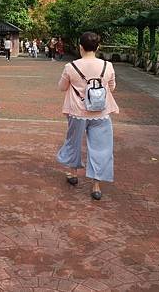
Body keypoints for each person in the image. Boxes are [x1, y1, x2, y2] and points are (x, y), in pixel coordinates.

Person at [56, 32, 119, 200]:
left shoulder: (71, 67)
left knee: (73, 142)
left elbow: (62, 87)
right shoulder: (108, 66)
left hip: (77, 112)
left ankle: (73, 173)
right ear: (97, 48)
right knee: (101, 147)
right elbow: (112, 87)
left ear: (80, 47)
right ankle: (96, 186)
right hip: (101, 113)